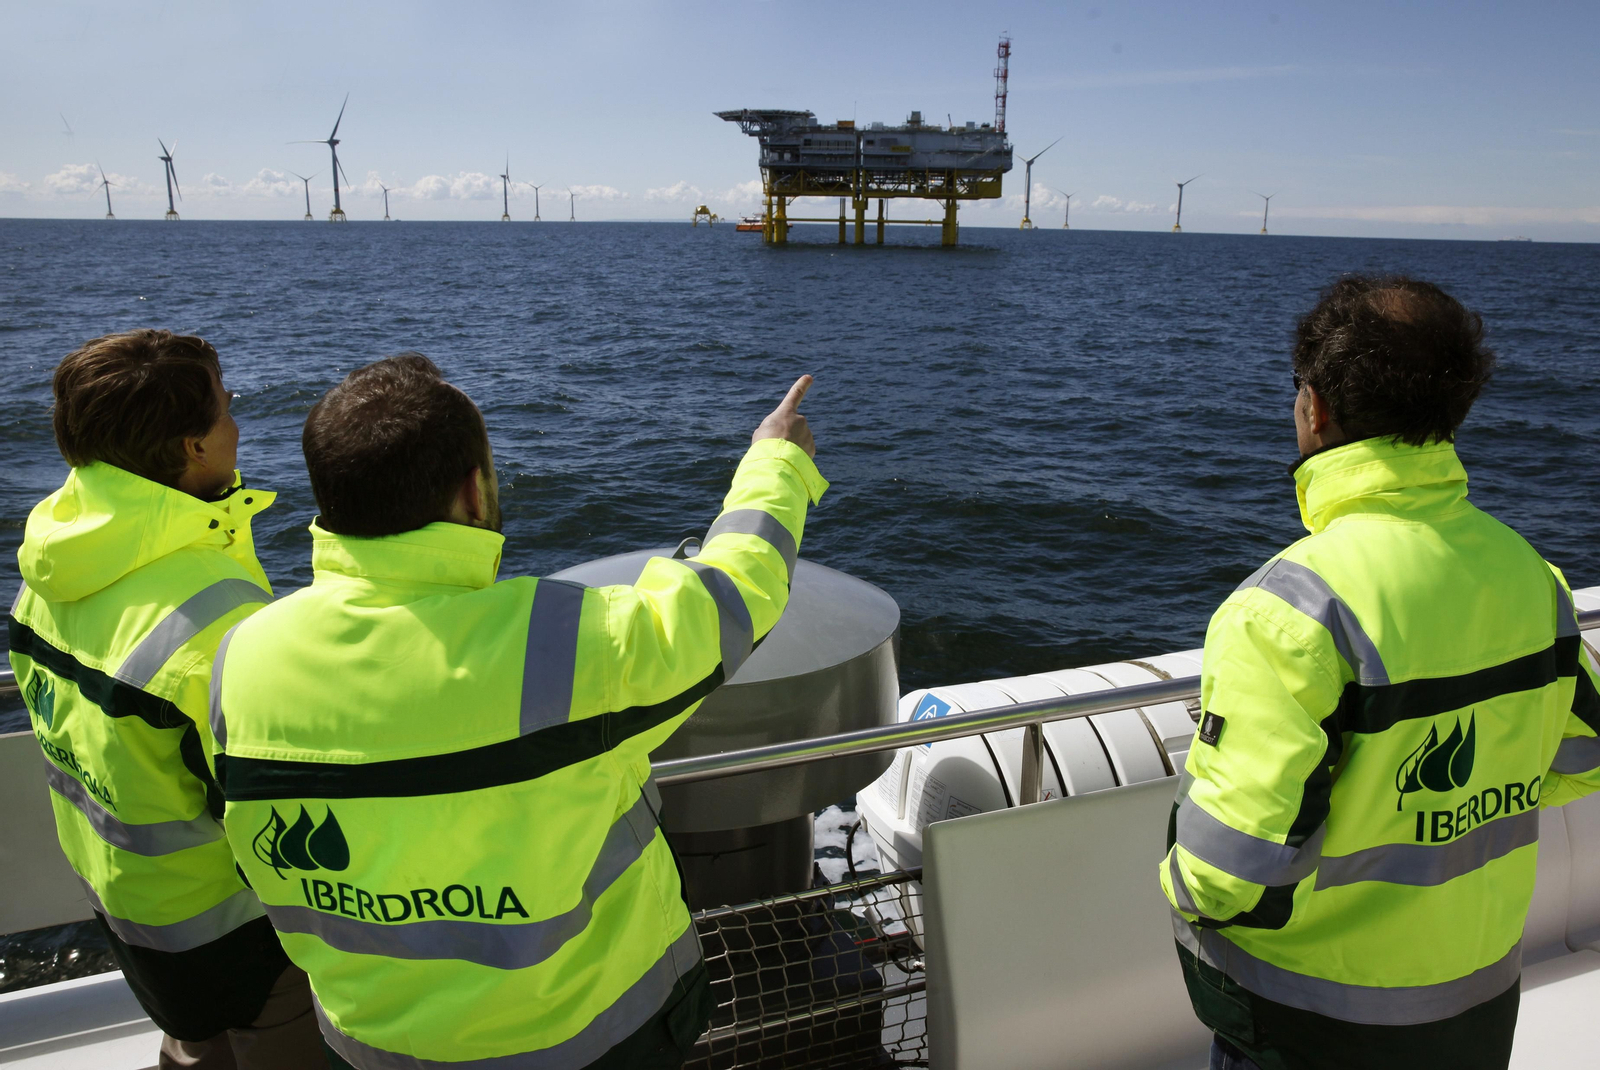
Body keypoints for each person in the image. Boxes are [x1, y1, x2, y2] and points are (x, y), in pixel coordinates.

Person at [208, 354, 826, 1069]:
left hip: (374, 1047)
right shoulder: (568, 648)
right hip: (595, 1039)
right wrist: (774, 462)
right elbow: (737, 590)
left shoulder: (240, 657)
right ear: (474, 493)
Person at [1159, 276, 1600, 1070]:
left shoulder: (1288, 610)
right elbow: (1579, 760)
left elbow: (1224, 875)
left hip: (1308, 1022)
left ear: (1314, 409)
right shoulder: (1532, 577)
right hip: (1476, 1005)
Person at [8, 330, 322, 1068]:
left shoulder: (55, 561)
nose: (237, 423)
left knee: (192, 1045)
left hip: (124, 906)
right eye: (226, 407)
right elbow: (269, 804)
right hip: (234, 931)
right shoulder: (213, 620)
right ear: (193, 448)